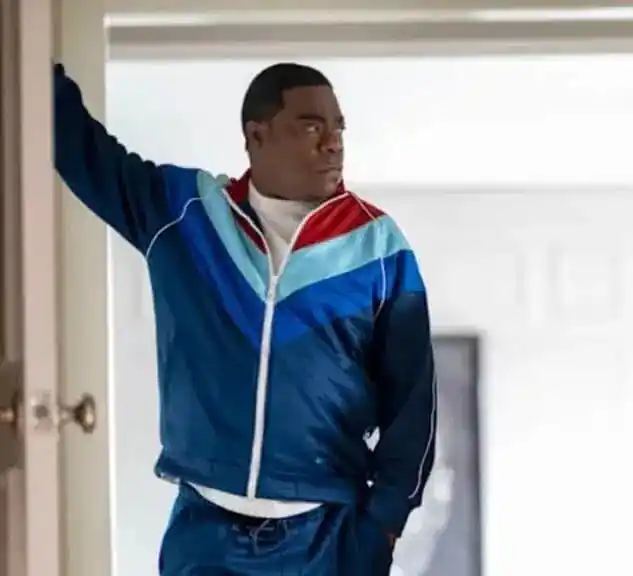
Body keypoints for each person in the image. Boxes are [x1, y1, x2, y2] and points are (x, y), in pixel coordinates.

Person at [53, 61, 436, 575]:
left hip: (328, 537)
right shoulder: (185, 214)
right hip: (206, 536)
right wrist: (32, 65)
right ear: (257, 136)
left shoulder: (379, 247)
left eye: (338, 129)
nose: (333, 144)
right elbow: (81, 151)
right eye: (311, 127)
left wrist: (384, 525)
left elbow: (414, 402)